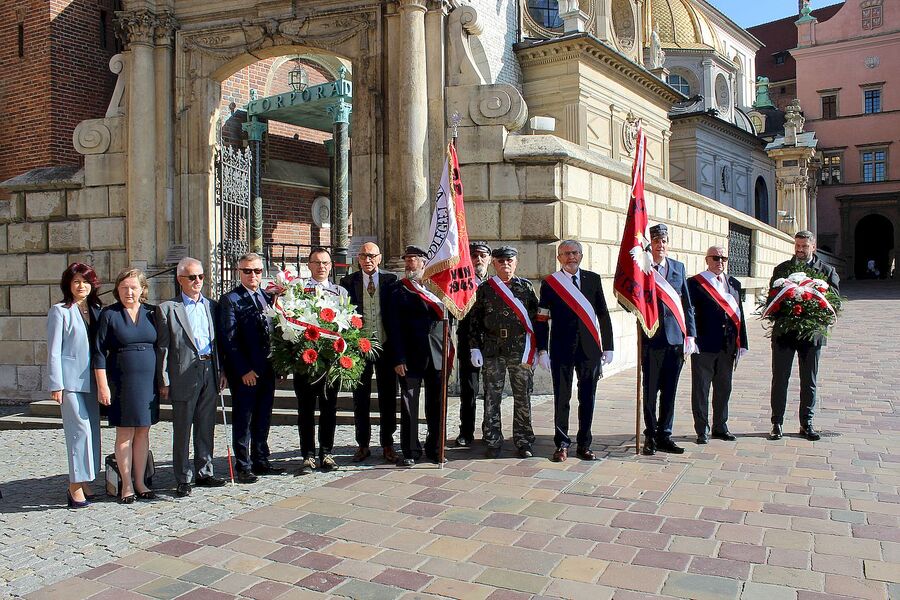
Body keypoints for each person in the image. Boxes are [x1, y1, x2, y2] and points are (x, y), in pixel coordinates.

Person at [535, 240, 615, 462]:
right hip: (561, 349)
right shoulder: (551, 283)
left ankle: (584, 444)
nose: (571, 257)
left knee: (587, 397)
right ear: (559, 257)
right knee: (562, 398)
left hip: (590, 350)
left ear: (581, 255)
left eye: (575, 253)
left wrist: (608, 346)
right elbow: (541, 318)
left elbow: (603, 314)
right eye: (566, 254)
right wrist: (542, 349)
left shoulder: (593, 279)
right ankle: (561, 444)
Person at [156, 257, 227, 497]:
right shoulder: (168, 308)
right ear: (180, 280)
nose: (197, 281)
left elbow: (219, 343)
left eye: (201, 276)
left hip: (209, 369)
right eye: (192, 277)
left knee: (206, 424)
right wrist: (164, 380)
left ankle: (204, 471)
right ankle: (183, 476)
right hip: (183, 374)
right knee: (183, 426)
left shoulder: (212, 306)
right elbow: (163, 348)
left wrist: (221, 370)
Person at [93, 268, 159, 503]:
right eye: (123, 288)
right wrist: (103, 386)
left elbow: (163, 347)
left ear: (142, 290)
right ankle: (126, 484)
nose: (128, 292)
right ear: (117, 290)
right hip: (121, 381)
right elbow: (99, 353)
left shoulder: (152, 313)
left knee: (143, 430)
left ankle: (141, 481)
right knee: (125, 432)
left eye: (133, 287)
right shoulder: (109, 314)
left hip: (148, 382)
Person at [768, 230, 840, 441]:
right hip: (785, 333)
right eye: (797, 246)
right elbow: (772, 299)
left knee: (809, 380)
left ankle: (806, 423)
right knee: (780, 379)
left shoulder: (826, 271)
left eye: (804, 246)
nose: (800, 250)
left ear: (813, 247)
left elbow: (834, 302)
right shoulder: (782, 269)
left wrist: (811, 307)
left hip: (812, 334)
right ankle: (777, 423)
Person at [218, 252, 283, 483]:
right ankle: (243, 464)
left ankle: (261, 459)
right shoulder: (230, 299)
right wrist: (243, 369)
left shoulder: (266, 297)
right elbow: (229, 338)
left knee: (263, 416)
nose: (252, 275)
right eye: (247, 271)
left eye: (256, 271)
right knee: (244, 418)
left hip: (267, 368)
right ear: (239, 272)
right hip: (245, 371)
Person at [468, 246, 538, 458]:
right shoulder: (485, 289)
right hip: (492, 350)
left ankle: (523, 440)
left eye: (509, 260)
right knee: (492, 396)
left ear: (516, 263)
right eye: (500, 261)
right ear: (494, 263)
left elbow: (537, 320)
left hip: (520, 350)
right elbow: (474, 321)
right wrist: (474, 347)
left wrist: (538, 350)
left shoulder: (525, 288)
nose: (505, 264)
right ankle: (492, 439)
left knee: (523, 396)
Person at [47, 263, 103, 508]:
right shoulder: (60, 311)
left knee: (92, 430)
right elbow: (53, 351)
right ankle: (74, 486)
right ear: (68, 285)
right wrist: (56, 383)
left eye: (86, 281)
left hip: (92, 380)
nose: (82, 286)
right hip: (69, 382)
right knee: (78, 432)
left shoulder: (95, 309)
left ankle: (85, 479)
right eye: (77, 282)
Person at [387, 245, 449, 467]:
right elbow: (393, 327)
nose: (409, 263)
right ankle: (411, 449)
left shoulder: (440, 289)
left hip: (438, 354)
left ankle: (435, 448)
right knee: (409, 404)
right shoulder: (398, 290)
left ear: (424, 262)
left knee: (437, 404)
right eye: (406, 260)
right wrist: (398, 358)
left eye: (413, 259)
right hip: (410, 357)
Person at [339, 242, 399, 464]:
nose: (368, 259)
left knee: (388, 398)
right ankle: (362, 444)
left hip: (385, 347)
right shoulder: (348, 282)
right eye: (364, 255)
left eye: (372, 255)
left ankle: (387, 444)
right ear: (358, 258)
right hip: (359, 349)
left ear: (380, 258)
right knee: (360, 399)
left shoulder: (391, 281)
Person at [640, 224, 697, 455]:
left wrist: (690, 335)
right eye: (656, 241)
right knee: (650, 391)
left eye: (663, 241)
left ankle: (665, 434)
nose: (660, 245)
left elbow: (687, 304)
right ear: (650, 244)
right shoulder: (642, 268)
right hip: (651, 338)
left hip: (675, 340)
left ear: (667, 243)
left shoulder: (678, 267)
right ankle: (650, 436)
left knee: (670, 391)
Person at [294, 247, 349, 475]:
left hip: (329, 362)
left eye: (325, 263)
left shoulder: (340, 292)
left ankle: (327, 452)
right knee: (305, 410)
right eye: (316, 262)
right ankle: (307, 455)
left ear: (331, 265)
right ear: (309, 265)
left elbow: (348, 323)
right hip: (305, 362)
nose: (321, 267)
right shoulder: (298, 290)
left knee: (329, 408)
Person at [688, 246, 748, 445]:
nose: (720, 261)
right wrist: (691, 338)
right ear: (707, 259)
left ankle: (720, 426)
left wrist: (743, 342)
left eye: (723, 258)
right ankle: (701, 429)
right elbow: (690, 314)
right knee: (701, 389)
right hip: (704, 344)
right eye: (715, 257)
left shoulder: (734, 283)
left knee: (724, 387)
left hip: (727, 345)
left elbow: (740, 315)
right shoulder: (695, 283)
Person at [455, 241, 491, 447]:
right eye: (474, 255)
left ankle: (489, 430)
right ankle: (466, 432)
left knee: (491, 391)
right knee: (469, 390)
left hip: (492, 344)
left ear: (489, 258)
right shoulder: (461, 284)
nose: (478, 259)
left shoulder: (495, 283)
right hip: (468, 343)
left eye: (482, 255)